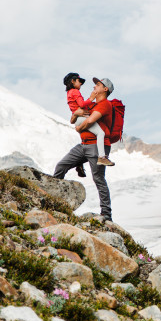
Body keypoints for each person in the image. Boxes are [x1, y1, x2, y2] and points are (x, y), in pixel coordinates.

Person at [53, 77, 116, 221]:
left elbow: (90, 121)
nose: (94, 86)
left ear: (105, 89)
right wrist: (76, 115)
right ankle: (53, 198)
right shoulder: (92, 105)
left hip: (97, 146)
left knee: (99, 178)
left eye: (98, 85)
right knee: (61, 165)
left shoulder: (105, 104)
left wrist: (78, 127)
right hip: (84, 144)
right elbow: (73, 118)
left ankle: (106, 214)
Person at [62, 72, 106, 177]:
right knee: (100, 133)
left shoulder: (69, 93)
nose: (81, 83)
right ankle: (102, 157)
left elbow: (75, 111)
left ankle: (79, 163)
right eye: (79, 81)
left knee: (83, 141)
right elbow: (81, 104)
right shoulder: (75, 91)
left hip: (78, 119)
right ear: (72, 81)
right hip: (82, 118)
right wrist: (91, 98)